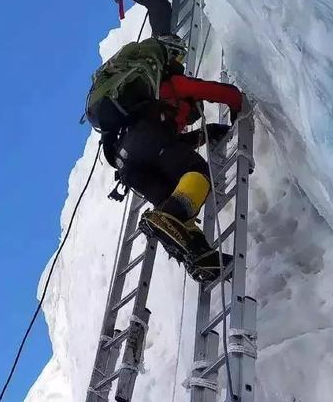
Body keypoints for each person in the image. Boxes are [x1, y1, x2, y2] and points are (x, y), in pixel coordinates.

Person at [100, 57, 243, 281]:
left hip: (128, 165)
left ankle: (200, 257)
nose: (188, 120)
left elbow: (169, 148)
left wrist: (206, 133)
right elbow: (215, 91)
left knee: (177, 205)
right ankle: (165, 216)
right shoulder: (172, 84)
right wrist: (237, 105)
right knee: (198, 171)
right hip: (145, 138)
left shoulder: (149, 110)